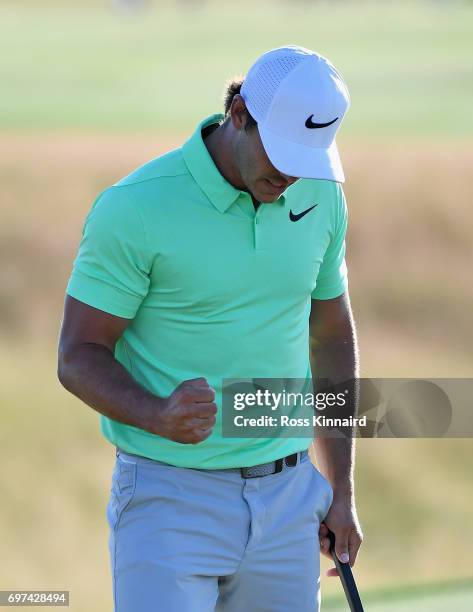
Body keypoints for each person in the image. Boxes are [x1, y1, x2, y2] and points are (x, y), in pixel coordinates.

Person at [57, 44, 363, 611]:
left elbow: (330, 337)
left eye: (309, 158)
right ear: (241, 113)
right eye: (282, 153)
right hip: (169, 500)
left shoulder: (320, 194)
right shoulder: (135, 208)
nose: (292, 176)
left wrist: (340, 489)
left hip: (290, 498)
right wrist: (156, 413)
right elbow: (78, 354)